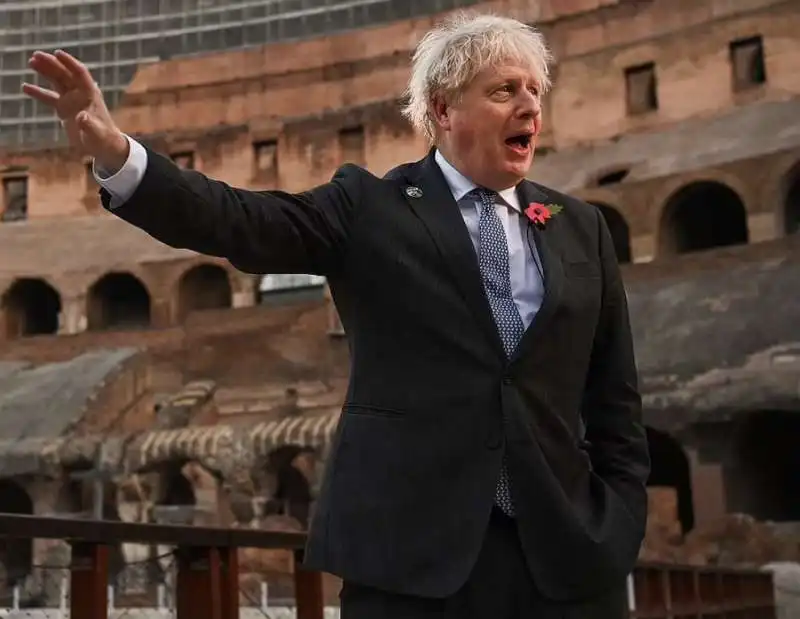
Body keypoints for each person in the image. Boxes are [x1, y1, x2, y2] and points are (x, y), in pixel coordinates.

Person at [24, 11, 650, 619]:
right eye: (505, 90)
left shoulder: (580, 226)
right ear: (443, 110)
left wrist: (619, 518)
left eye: (536, 90)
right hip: (410, 561)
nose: (530, 106)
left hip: (565, 561)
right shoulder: (371, 208)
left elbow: (613, 392)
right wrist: (118, 155)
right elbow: (240, 220)